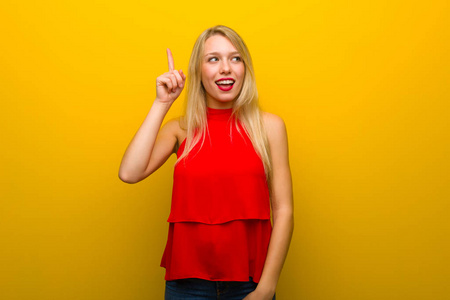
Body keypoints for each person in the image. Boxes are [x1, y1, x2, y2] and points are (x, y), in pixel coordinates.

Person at [119, 25, 293, 300]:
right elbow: (129, 172)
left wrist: (267, 288)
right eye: (213, 59)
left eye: (235, 58)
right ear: (198, 72)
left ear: (245, 68)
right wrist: (162, 103)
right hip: (187, 286)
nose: (226, 68)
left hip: (251, 283)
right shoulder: (181, 128)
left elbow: (284, 211)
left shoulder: (269, 127)